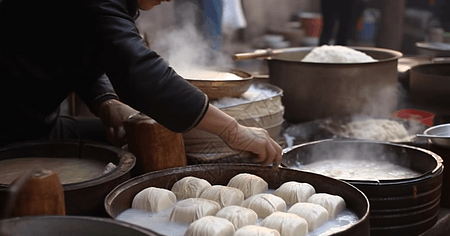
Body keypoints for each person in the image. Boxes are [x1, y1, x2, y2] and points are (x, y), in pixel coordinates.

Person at [0, 0, 282, 166]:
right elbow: (142, 74)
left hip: (37, 123)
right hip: (13, 134)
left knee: (153, 138)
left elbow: (87, 51)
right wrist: (232, 130)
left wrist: (105, 102)